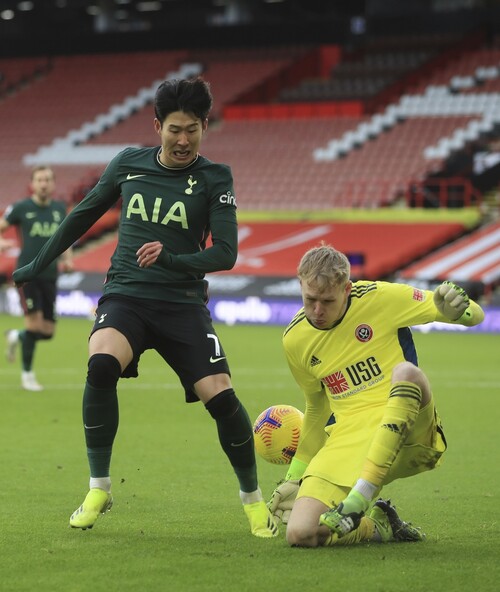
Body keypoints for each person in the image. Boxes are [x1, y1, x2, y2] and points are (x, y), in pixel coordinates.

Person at [12, 77, 278, 538]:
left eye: (192, 129)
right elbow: (83, 214)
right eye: (174, 128)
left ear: (204, 126)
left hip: (182, 304)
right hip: (127, 296)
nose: (183, 139)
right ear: (157, 126)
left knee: (221, 396)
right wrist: (39, 262)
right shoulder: (128, 164)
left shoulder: (216, 178)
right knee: (100, 364)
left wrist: (173, 258)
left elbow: (226, 253)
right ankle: (99, 486)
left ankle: (252, 500)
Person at [268, 244, 484, 547]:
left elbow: (475, 315)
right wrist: (294, 476)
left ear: (347, 288)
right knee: (300, 533)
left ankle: (360, 497)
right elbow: (316, 408)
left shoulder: (381, 298)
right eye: (310, 299)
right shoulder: (295, 339)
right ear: (300, 285)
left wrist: (460, 312)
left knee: (406, 373)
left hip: (408, 428)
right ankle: (378, 525)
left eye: (327, 301)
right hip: (348, 438)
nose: (317, 311)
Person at [0, 165, 73, 391]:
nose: (43, 184)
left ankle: (16, 336)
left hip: (50, 275)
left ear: (53, 184)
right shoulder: (21, 207)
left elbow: (65, 236)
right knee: (34, 326)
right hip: (27, 275)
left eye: (47, 180)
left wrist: (67, 259)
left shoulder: (60, 209)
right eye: (39, 180)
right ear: (32, 183)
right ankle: (27, 375)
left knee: (47, 332)